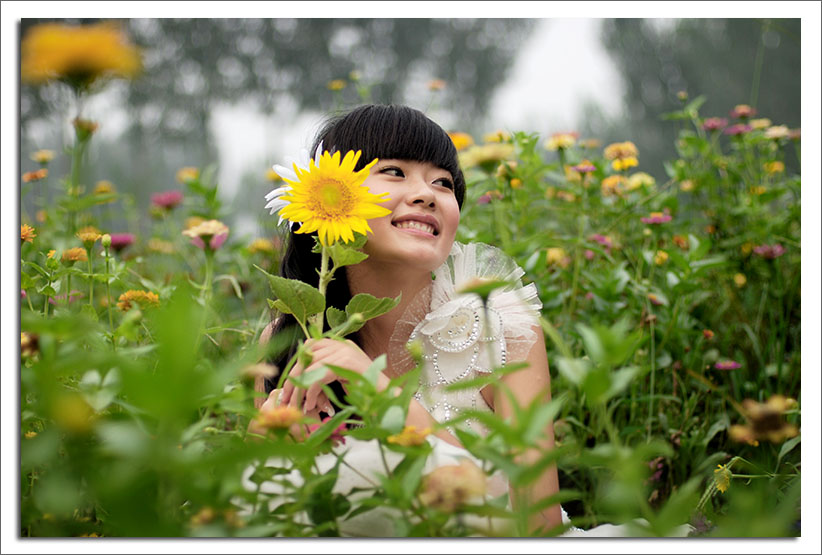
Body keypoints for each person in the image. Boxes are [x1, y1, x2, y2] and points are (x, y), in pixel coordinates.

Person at [244, 104, 685, 538]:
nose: (427, 193)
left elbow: (539, 524)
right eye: (394, 171)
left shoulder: (500, 325)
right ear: (330, 193)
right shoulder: (286, 340)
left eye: (444, 182)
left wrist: (379, 391)